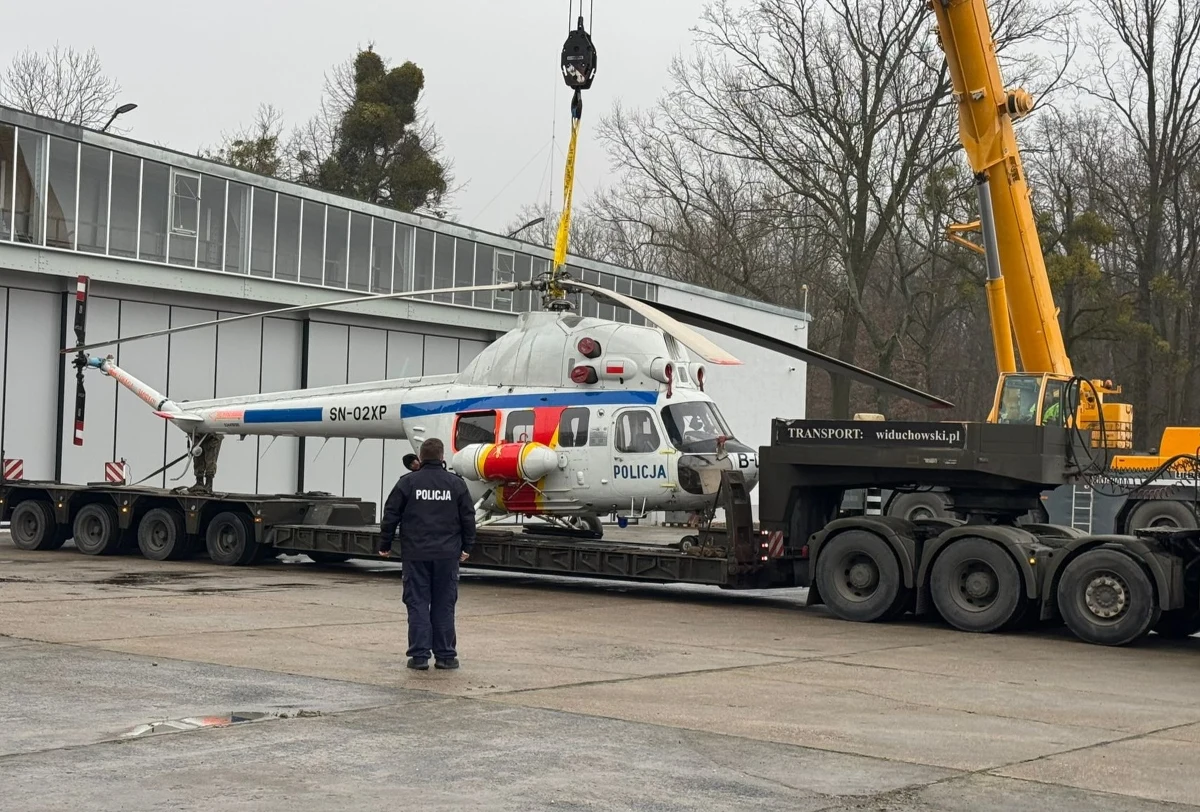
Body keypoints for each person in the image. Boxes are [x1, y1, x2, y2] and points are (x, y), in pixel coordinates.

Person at [377, 438, 476, 671]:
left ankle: (419, 657)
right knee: (444, 604)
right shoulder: (456, 484)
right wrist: (467, 547)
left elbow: (391, 514)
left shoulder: (407, 483)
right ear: (442, 458)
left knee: (418, 603)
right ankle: (446, 657)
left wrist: (385, 544)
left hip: (416, 555)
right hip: (447, 556)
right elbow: (468, 518)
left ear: (420, 458)